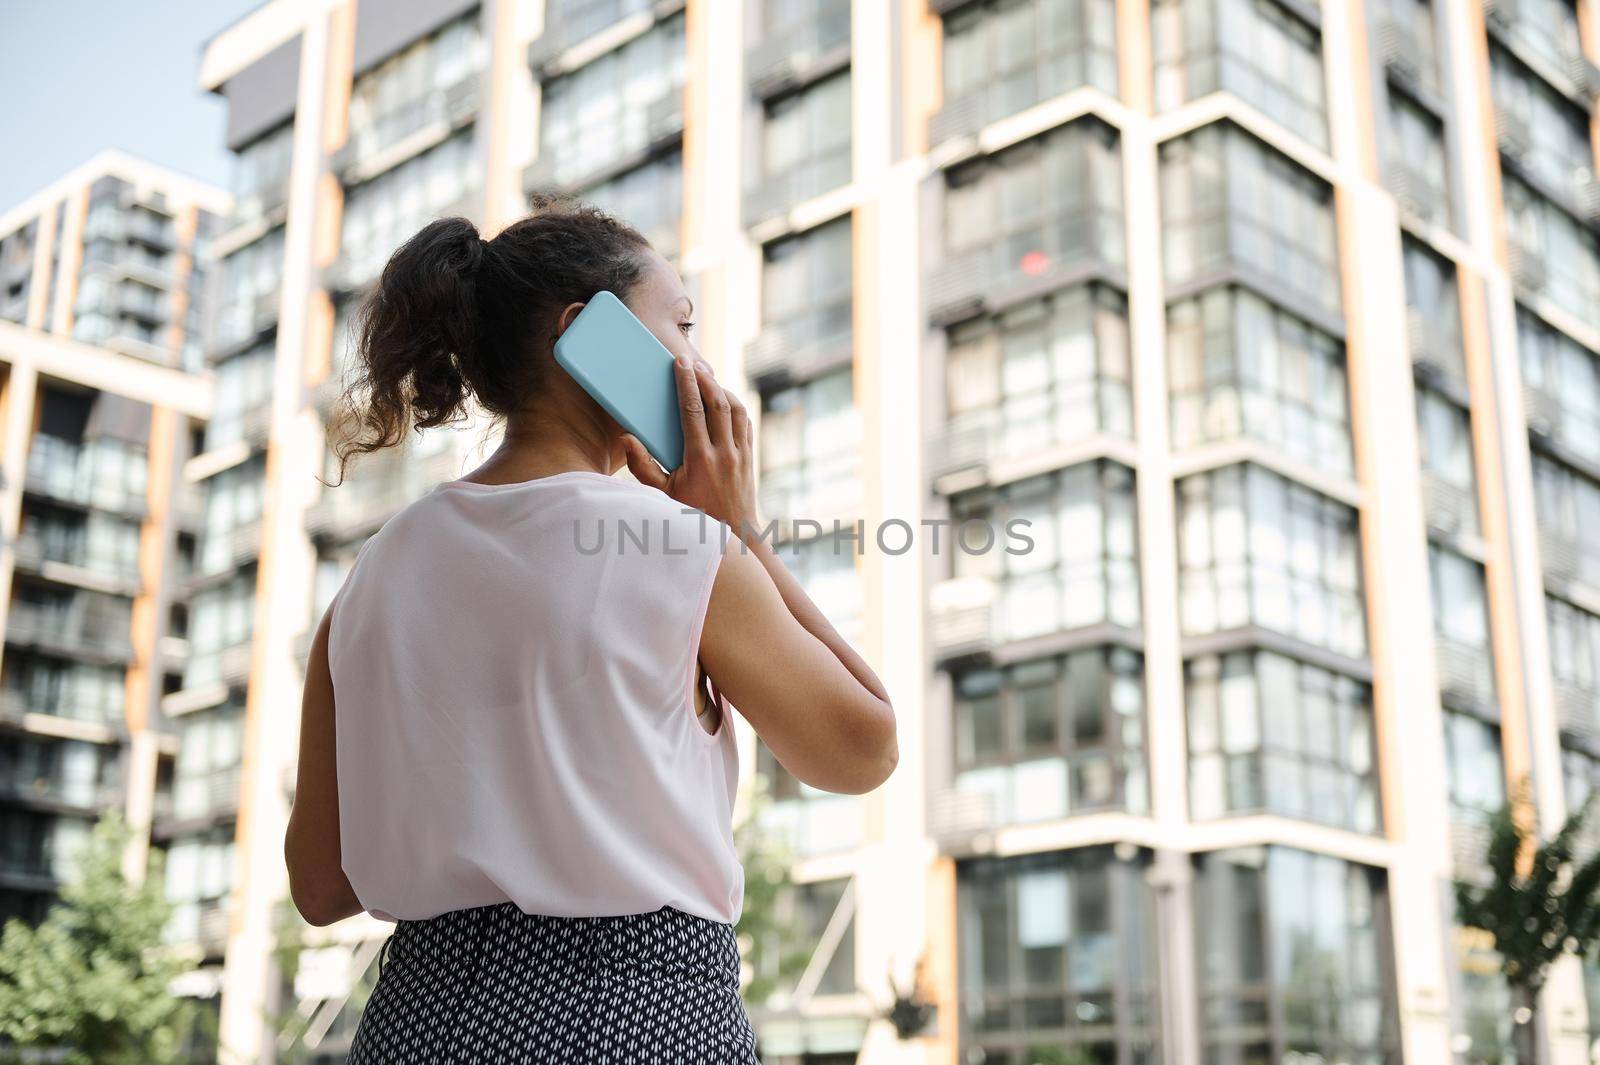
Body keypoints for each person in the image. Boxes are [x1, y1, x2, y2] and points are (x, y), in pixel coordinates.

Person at [282, 192, 897, 1064]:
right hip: (639, 1016)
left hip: (415, 1023)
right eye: (680, 325)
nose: (699, 360)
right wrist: (740, 531)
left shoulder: (370, 579)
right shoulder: (678, 547)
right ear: (589, 335)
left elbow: (320, 883)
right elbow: (864, 748)